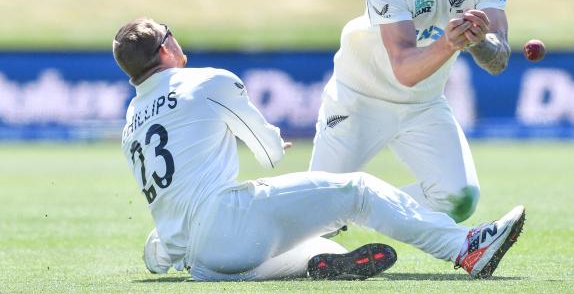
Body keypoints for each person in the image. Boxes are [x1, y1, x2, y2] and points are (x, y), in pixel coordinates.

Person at [112, 18, 524, 281]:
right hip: (227, 223)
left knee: (318, 246)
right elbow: (269, 153)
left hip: (202, 261)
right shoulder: (206, 81)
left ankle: (318, 264)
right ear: (165, 48)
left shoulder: (131, 121)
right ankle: (466, 248)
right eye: (170, 32)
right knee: (358, 190)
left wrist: (158, 255)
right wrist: (275, 143)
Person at [310, 0, 512, 224]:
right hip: (360, 97)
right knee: (314, 216)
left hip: (423, 104)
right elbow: (403, 68)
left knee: (459, 198)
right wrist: (450, 42)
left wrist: (480, 40)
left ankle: (356, 208)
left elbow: (499, 59)